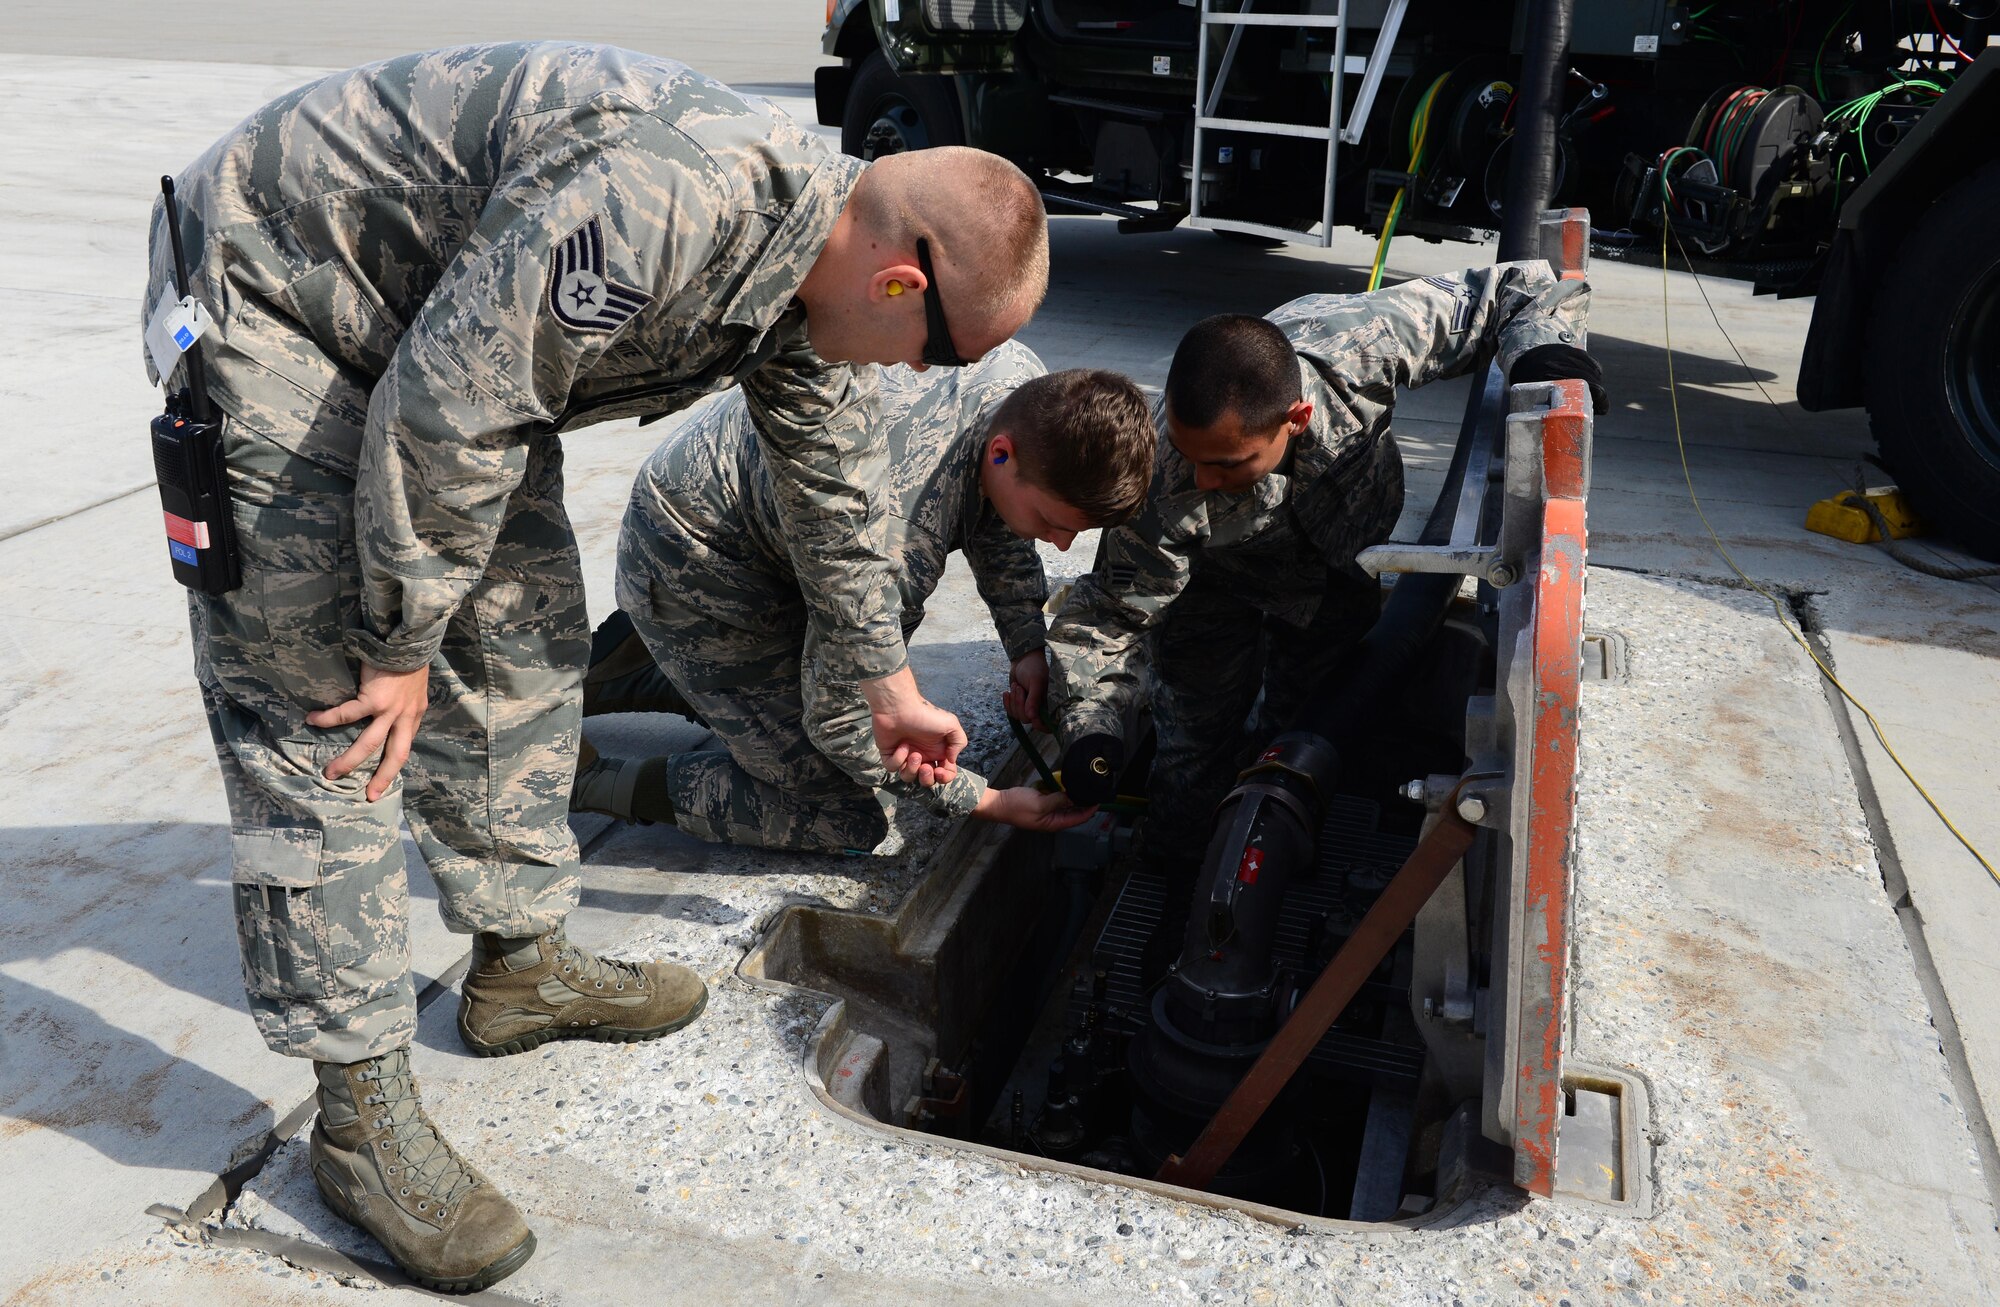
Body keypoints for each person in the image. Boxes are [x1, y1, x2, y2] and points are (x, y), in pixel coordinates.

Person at [143, 42, 1048, 1292]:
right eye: (936, 356)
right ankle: (358, 1119)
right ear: (900, 282)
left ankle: (516, 964)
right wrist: (400, 643)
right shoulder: (663, 202)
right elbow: (447, 411)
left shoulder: (805, 272)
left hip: (434, 342)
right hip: (274, 294)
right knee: (331, 706)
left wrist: (888, 684)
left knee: (518, 636)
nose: (916, 380)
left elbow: (837, 502)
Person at [1042, 264, 1602, 976]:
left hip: (1337, 576)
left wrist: (1542, 355)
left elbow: (1521, 284)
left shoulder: (1359, 348)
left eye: (1229, 462)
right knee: (1192, 756)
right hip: (1211, 595)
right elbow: (1107, 617)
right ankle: (1183, 895)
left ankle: (1284, 863)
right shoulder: (1165, 479)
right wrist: (1091, 726)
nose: (1204, 478)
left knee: (1310, 728)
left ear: (1296, 419)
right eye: (1192, 456)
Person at [572, 340, 1157, 852]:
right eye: (1055, 523)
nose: (1060, 547)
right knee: (845, 813)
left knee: (815, 690)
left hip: (743, 526)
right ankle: (589, 778)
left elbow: (996, 512)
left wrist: (1026, 642)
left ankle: (661, 667)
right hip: (696, 562)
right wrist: (986, 802)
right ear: (1003, 453)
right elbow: (845, 720)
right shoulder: (892, 540)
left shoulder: (1022, 385)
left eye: (1076, 534)